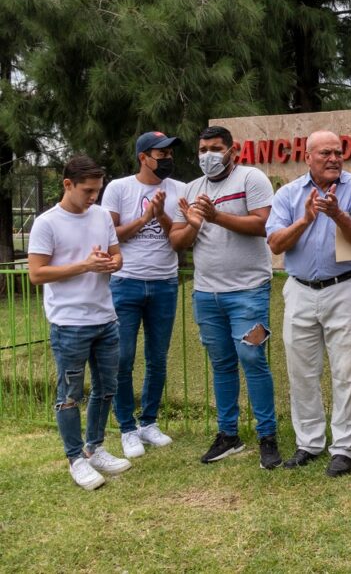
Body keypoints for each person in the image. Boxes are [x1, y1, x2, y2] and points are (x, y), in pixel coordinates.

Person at [169, 125, 281, 469]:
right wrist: (195, 222)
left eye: (216, 148)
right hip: (207, 295)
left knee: (253, 358)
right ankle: (228, 435)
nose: (208, 156)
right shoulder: (191, 189)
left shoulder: (251, 179)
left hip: (250, 292)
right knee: (221, 364)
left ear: (234, 150)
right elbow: (177, 241)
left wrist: (217, 216)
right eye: (202, 150)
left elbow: (264, 225)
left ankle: (267, 436)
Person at [266, 130, 351, 477]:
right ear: (308, 156)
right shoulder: (288, 194)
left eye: (338, 152)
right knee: (302, 371)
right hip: (299, 290)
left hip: (344, 288)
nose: (333, 159)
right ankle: (309, 443)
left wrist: (337, 215)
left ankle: (344, 448)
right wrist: (306, 219)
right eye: (325, 153)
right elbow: (275, 244)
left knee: (347, 371)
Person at [28, 156, 132, 489]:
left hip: (105, 318)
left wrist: (110, 263)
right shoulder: (47, 223)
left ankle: (95, 447)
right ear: (67, 185)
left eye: (97, 191)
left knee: (106, 389)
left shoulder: (101, 216)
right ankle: (75, 458)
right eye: (88, 191)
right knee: (70, 393)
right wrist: (85, 266)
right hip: (69, 323)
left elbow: (118, 255)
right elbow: (36, 273)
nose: (93, 198)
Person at [102, 131, 184, 458]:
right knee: (122, 357)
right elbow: (109, 236)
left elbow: (179, 236)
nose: (166, 159)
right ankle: (126, 427)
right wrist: (145, 217)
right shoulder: (119, 188)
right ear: (143, 157)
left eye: (169, 154)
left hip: (164, 282)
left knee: (157, 357)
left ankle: (149, 422)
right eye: (159, 153)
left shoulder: (179, 189)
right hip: (126, 282)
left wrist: (161, 216)